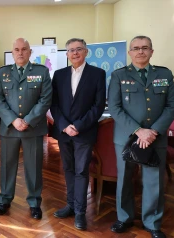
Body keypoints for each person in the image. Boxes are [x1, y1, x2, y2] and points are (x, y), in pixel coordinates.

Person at [108, 35, 174, 238]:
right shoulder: (119, 75)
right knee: (125, 179)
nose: (140, 51)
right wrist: (139, 131)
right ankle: (124, 218)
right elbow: (115, 107)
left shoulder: (164, 74)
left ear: (151, 52)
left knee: (154, 180)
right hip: (126, 137)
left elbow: (172, 105)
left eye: (145, 48)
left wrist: (153, 131)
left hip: (156, 138)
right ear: (129, 52)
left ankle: (152, 223)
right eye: (136, 48)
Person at [0, 38, 52, 219]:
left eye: (24, 49)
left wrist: (27, 120)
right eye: (17, 49)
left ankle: (34, 202)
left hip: (32, 128)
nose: (20, 52)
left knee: (33, 167)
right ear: (12, 53)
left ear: (30, 52)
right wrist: (13, 120)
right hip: (10, 129)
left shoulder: (41, 72)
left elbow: (45, 99)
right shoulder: (3, 73)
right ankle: (4, 199)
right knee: (7, 166)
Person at [50, 38, 106, 230]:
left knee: (82, 171)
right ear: (66, 54)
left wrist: (79, 126)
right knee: (68, 169)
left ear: (86, 52)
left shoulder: (98, 74)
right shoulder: (59, 75)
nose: (75, 53)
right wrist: (65, 125)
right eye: (71, 50)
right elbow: (54, 104)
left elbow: (98, 106)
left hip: (84, 131)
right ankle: (71, 205)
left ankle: (80, 212)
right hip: (64, 132)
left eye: (79, 49)